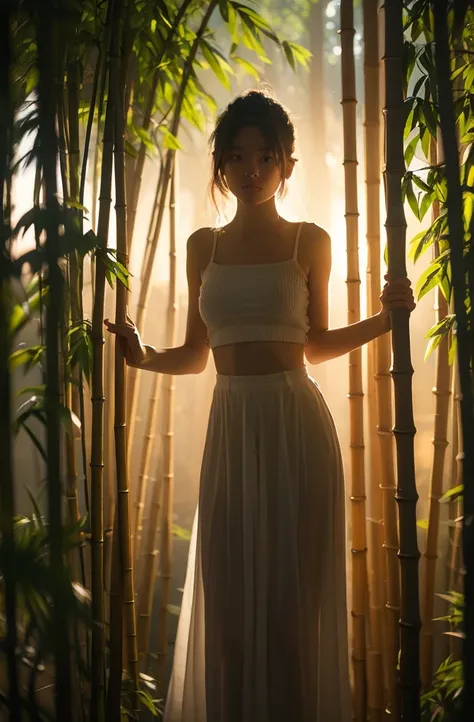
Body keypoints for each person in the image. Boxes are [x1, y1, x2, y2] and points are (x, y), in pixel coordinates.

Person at [105, 90, 415, 722]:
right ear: (220, 164)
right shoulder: (202, 248)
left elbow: (317, 345)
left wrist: (385, 321)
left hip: (294, 425)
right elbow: (197, 355)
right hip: (232, 423)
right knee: (230, 607)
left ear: (287, 166)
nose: (251, 170)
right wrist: (142, 357)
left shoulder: (311, 240)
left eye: (266, 157)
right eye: (238, 156)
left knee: (292, 612)